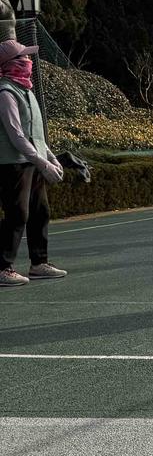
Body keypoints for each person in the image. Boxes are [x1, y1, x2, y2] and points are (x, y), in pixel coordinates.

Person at [0, 38, 66, 286]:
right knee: (17, 214)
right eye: (24, 57)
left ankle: (39, 263)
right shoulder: (5, 93)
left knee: (41, 211)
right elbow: (16, 135)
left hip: (33, 161)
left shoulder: (27, 90)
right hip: (13, 163)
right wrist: (42, 162)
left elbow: (35, 134)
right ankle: (3, 267)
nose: (29, 60)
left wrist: (50, 158)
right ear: (11, 63)